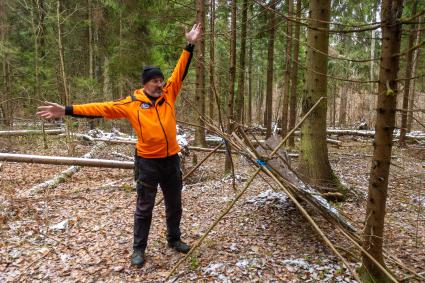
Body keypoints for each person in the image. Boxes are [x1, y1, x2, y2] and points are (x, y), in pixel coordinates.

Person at [36, 23, 202, 267]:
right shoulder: (131, 103)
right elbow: (99, 108)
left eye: (160, 80)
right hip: (147, 163)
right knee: (144, 208)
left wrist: (189, 45)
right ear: (145, 84)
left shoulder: (169, 94)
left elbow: (180, 71)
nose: (159, 84)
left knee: (174, 204)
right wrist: (66, 110)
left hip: (171, 160)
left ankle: (174, 239)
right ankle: (138, 249)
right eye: (154, 81)